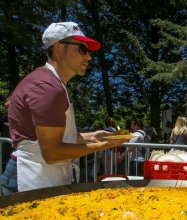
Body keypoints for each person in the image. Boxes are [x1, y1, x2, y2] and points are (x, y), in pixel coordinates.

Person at [6, 22, 128, 192]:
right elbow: (52, 152)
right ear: (59, 49)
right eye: (82, 49)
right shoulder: (47, 87)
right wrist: (105, 145)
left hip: (41, 176)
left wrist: (92, 135)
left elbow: (54, 137)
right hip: (31, 178)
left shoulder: (51, 83)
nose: (88, 57)